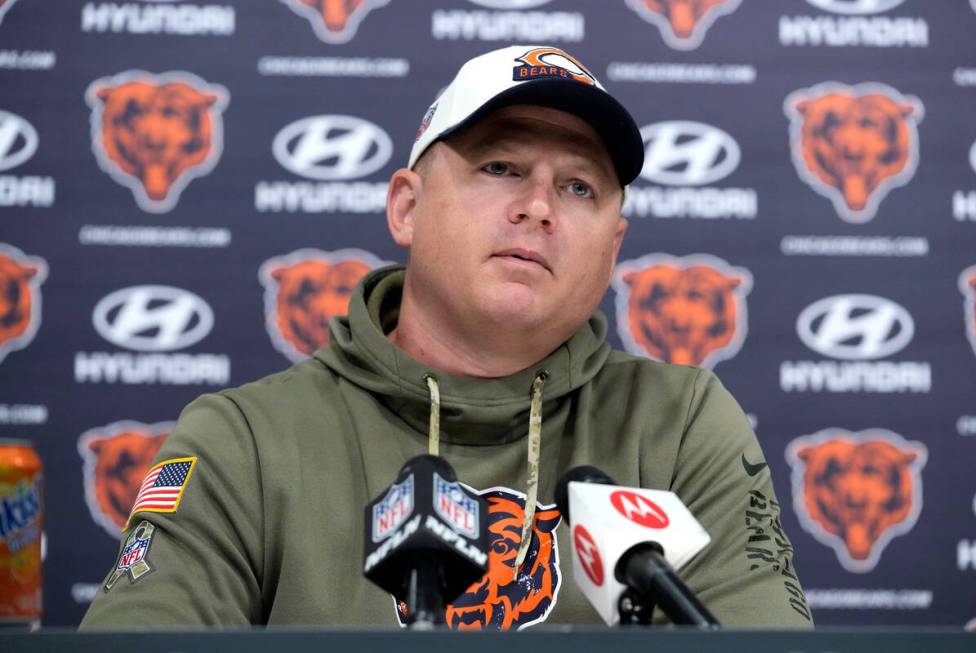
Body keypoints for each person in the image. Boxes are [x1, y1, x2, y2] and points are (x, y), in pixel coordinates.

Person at [80, 45, 812, 629]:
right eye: (501, 166)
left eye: (579, 186)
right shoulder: (244, 440)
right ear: (406, 206)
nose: (538, 207)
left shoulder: (680, 423)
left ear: (614, 247)